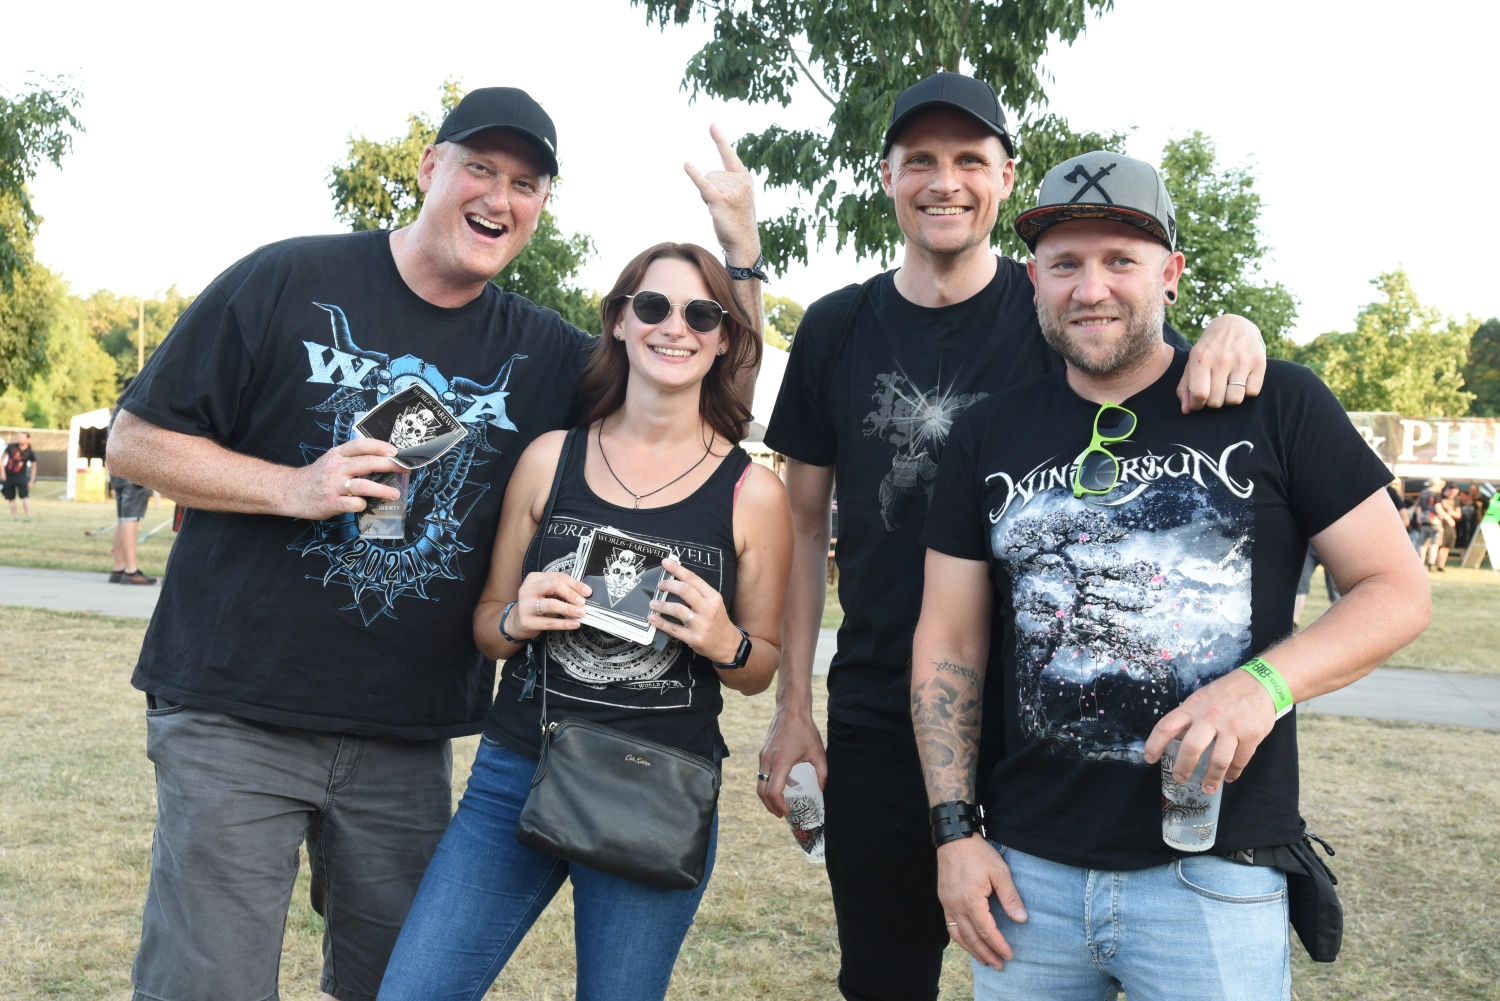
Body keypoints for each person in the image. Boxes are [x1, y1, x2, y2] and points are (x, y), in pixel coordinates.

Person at [104, 86, 764, 1001]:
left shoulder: (542, 351)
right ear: (429, 168)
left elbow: (699, 386)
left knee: (396, 987)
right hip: (236, 715)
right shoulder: (289, 277)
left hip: (405, 739)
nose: (499, 197)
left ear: (540, 206)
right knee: (208, 987)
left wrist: (741, 251)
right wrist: (293, 488)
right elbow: (135, 441)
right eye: (480, 168)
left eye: (525, 183)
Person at [757, 71, 1268, 1001]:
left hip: (1045, 716)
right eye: (920, 160)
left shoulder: (1055, 307)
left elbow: (1162, 359)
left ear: (1005, 177)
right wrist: (793, 707)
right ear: (886, 175)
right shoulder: (836, 326)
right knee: (883, 976)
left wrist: (1236, 328)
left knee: (1042, 966)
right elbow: (800, 523)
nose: (944, 180)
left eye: (969, 159)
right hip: (883, 707)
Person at [911, 151, 1430, 1001]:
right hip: (1026, 873)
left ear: (1172, 274)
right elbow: (949, 641)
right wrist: (952, 832)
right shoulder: (986, 434)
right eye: (1065, 264)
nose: (1091, 289)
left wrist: (1262, 685)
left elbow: (1396, 590)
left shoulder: (1277, 403)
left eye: (1121, 260)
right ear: (1034, 280)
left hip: (1215, 871)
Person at [377, 241, 790, 1000]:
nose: (676, 327)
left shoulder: (753, 493)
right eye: (654, 306)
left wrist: (723, 640)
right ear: (620, 321)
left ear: (723, 339)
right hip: (516, 770)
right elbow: (487, 627)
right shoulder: (549, 458)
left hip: (655, 787)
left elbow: (760, 666)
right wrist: (520, 615)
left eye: (702, 314)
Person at [108, 384, 159, 585]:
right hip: (134, 475)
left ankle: (118, 568)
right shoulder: (139, 407)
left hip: (117, 472)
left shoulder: (118, 410)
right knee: (130, 521)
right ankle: (131, 571)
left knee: (122, 520)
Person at [3, 430, 36, 520]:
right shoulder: (11, 447)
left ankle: (28, 516)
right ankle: (15, 517)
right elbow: (2, 460)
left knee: (24, 496)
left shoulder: (29, 452)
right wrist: (2, 473)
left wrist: (31, 480)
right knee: (11, 497)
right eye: (19, 437)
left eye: (22, 437)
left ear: (28, 439)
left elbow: (34, 467)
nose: (20, 439)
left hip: (21, 476)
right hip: (9, 476)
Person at [1417, 477, 1444, 569]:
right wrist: (1448, 518)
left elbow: (1419, 507)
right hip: (1435, 521)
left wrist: (1419, 518)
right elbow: (1438, 508)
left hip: (1424, 520)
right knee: (1434, 544)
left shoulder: (1423, 493)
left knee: (1423, 544)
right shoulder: (1437, 494)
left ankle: (1420, 564)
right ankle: (1431, 564)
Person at [1436, 483, 1461, 569]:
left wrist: (1452, 512)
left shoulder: (1456, 500)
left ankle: (1441, 566)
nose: (1453, 495)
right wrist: (1448, 517)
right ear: (1448, 490)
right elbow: (1438, 509)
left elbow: (1458, 514)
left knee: (1447, 546)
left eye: (1455, 494)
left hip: (1450, 526)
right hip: (1440, 524)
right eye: (1452, 493)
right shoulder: (1439, 497)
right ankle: (1437, 564)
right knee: (1440, 545)